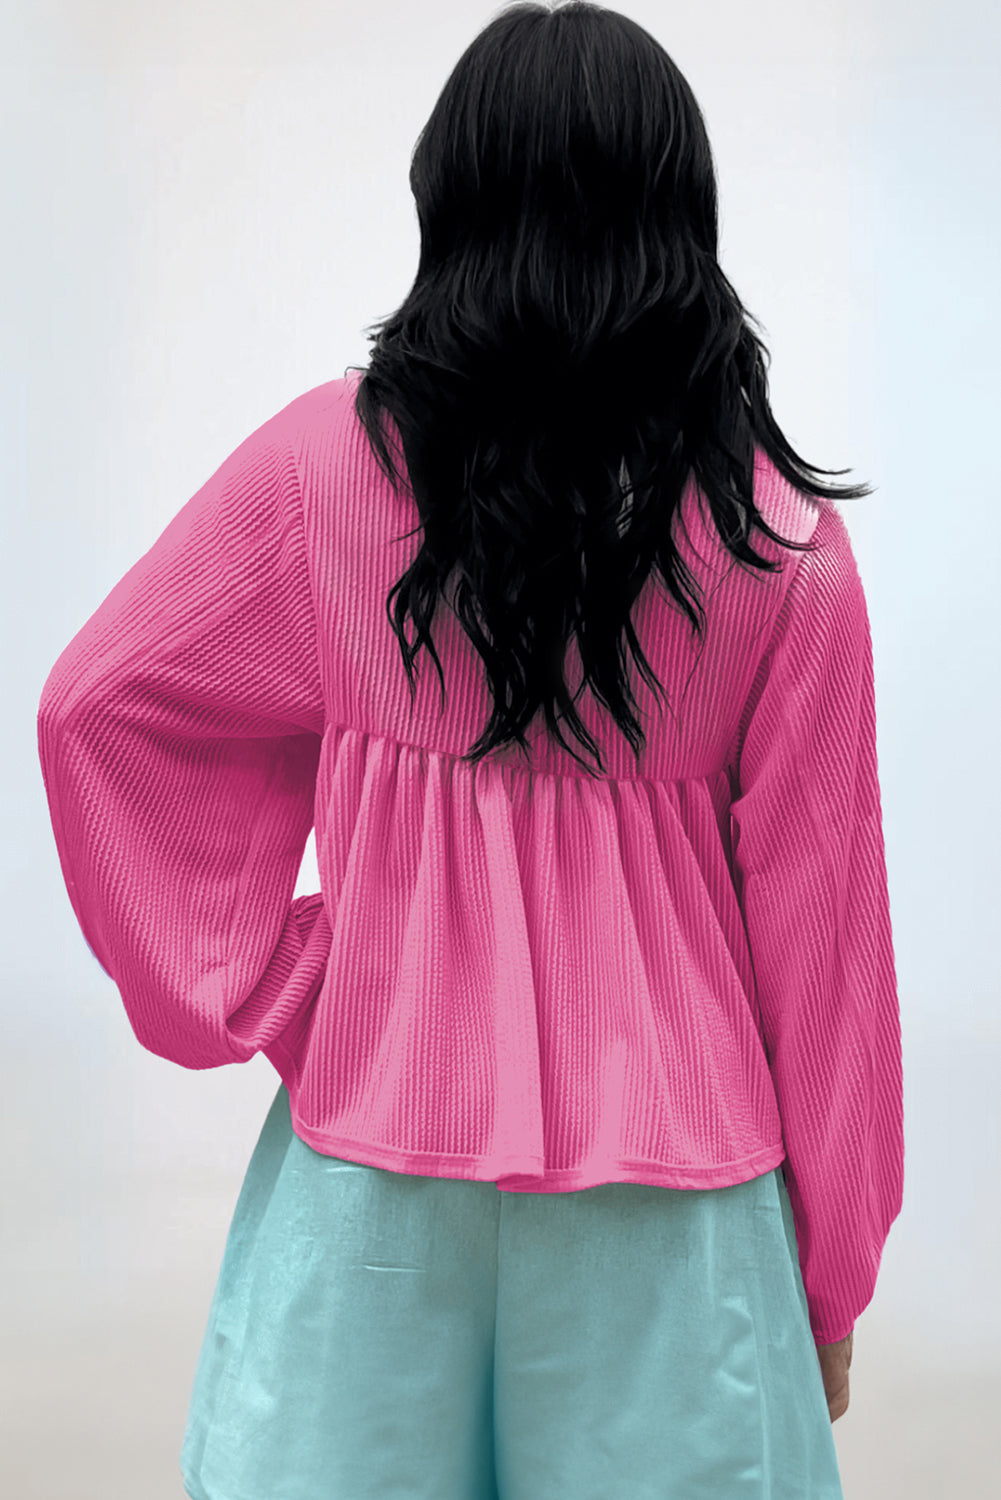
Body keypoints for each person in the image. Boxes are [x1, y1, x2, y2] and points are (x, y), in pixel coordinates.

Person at [35, 3, 902, 1496]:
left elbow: (100, 709)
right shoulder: (781, 543)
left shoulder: (320, 471)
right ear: (680, 219)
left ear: (448, 202)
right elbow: (826, 947)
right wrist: (830, 1277)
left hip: (373, 1174)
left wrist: (279, 984)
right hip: (676, 1214)